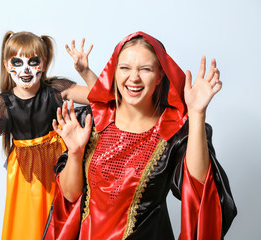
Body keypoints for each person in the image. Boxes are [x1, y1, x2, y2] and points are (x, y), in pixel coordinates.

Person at [44, 31, 237, 239]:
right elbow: (70, 195)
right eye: (125, 68)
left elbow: (201, 191)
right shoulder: (91, 121)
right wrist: (75, 152)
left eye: (145, 69)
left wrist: (197, 114)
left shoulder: (174, 132)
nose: (133, 78)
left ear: (160, 75)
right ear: (114, 72)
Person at [0, 31, 97, 240]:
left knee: (64, 221)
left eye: (32, 61)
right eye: (17, 62)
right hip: (26, 176)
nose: (25, 69)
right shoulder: (4, 104)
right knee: (31, 228)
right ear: (7, 65)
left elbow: (99, 98)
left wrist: (85, 71)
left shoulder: (56, 90)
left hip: (59, 166)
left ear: (43, 64)